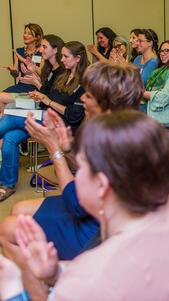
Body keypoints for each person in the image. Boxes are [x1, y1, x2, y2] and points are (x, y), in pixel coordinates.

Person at [0, 110, 169, 301]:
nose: (76, 177)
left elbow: (99, 280)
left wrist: (16, 284)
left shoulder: (95, 275)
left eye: (82, 168)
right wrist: (55, 272)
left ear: (102, 185)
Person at [0, 62, 144, 263]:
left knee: (7, 229)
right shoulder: (114, 126)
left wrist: (54, 149)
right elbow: (85, 172)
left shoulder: (117, 141)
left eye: (89, 95)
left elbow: (77, 203)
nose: (82, 98)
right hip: (93, 208)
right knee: (18, 211)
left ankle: (53, 279)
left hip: (98, 230)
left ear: (107, 103)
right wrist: (65, 148)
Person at [0, 41, 88, 201]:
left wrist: (47, 101)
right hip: (45, 116)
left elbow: (74, 115)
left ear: (78, 59)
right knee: (10, 138)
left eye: (66, 57)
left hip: (61, 125)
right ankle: (7, 184)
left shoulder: (85, 81)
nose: (62, 60)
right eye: (62, 56)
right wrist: (40, 92)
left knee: (11, 117)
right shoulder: (64, 75)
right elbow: (45, 97)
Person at [0, 34, 64, 106]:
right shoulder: (49, 67)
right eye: (41, 46)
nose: (40, 50)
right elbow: (44, 85)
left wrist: (35, 82)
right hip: (37, 95)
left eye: (44, 47)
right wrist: (32, 72)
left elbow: (51, 97)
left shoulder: (61, 71)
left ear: (55, 50)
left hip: (43, 102)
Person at [3, 23, 43, 93]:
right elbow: (16, 75)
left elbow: (43, 74)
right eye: (25, 33)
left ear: (37, 37)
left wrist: (33, 68)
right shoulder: (18, 51)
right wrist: (12, 70)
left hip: (36, 86)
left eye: (29, 34)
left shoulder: (41, 52)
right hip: (22, 85)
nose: (25, 35)